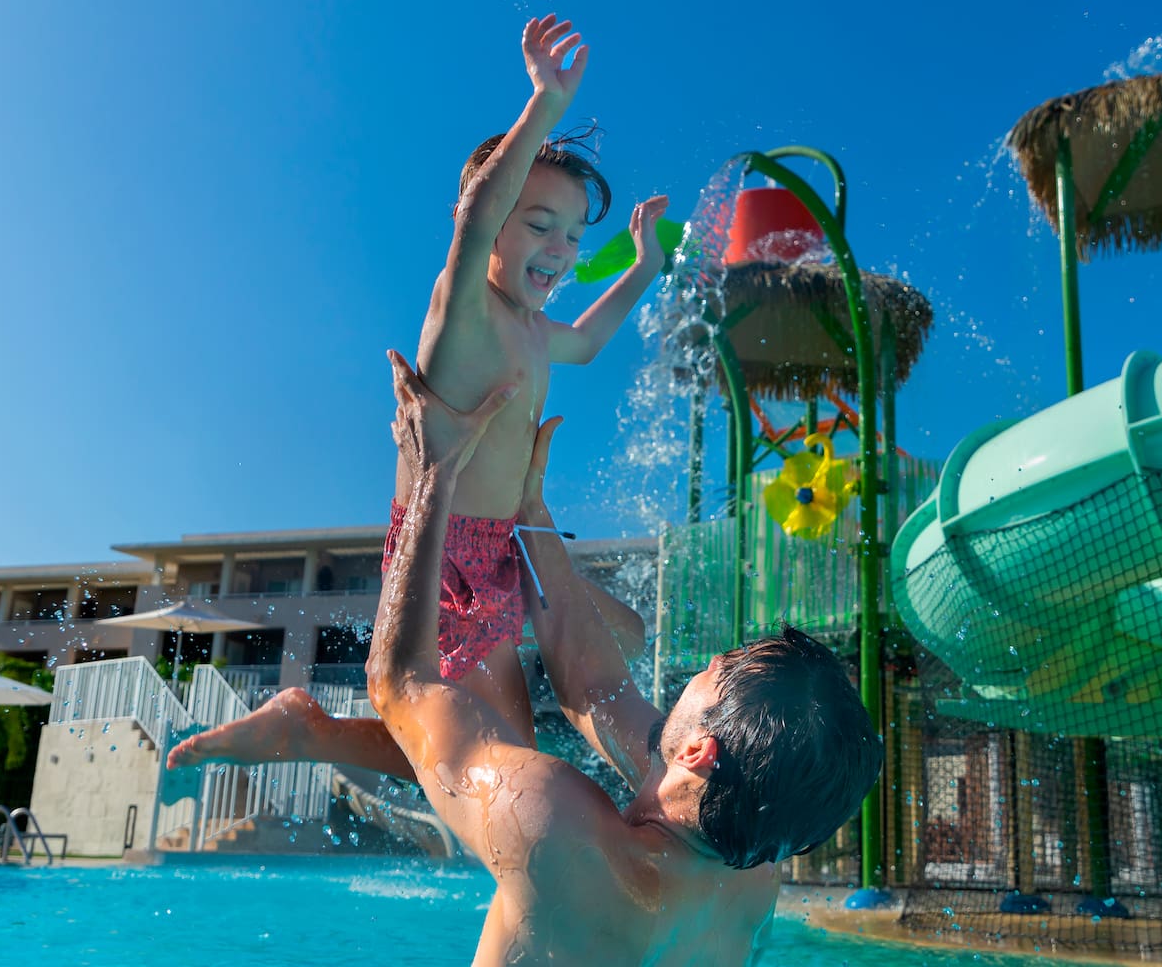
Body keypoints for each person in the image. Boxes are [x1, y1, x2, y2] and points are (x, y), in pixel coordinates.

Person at [167, 15, 662, 777]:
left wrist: (642, 268)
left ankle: (308, 731)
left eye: (570, 234)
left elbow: (590, 344)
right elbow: (475, 212)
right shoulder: (463, 312)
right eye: (539, 224)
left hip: (509, 547)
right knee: (497, 761)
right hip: (448, 550)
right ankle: (308, 732)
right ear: (494, 227)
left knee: (619, 636)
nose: (560, 248)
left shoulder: (534, 329)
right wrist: (544, 109)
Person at [366, 352, 882, 964]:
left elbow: (401, 685)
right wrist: (530, 509)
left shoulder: (553, 822)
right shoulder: (751, 875)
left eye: (718, 671)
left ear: (698, 751)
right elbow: (598, 688)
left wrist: (434, 476)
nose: (712, 659)